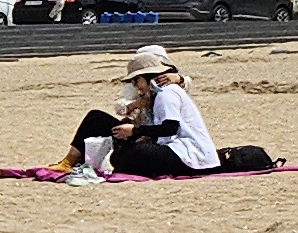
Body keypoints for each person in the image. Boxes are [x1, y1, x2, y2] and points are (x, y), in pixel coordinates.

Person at [63, 45, 216, 183]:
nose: (135, 85)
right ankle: (70, 160)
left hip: (187, 153)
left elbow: (170, 128)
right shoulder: (152, 93)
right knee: (98, 120)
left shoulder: (166, 92)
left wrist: (135, 131)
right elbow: (121, 106)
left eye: (137, 80)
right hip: (157, 140)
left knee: (127, 156)